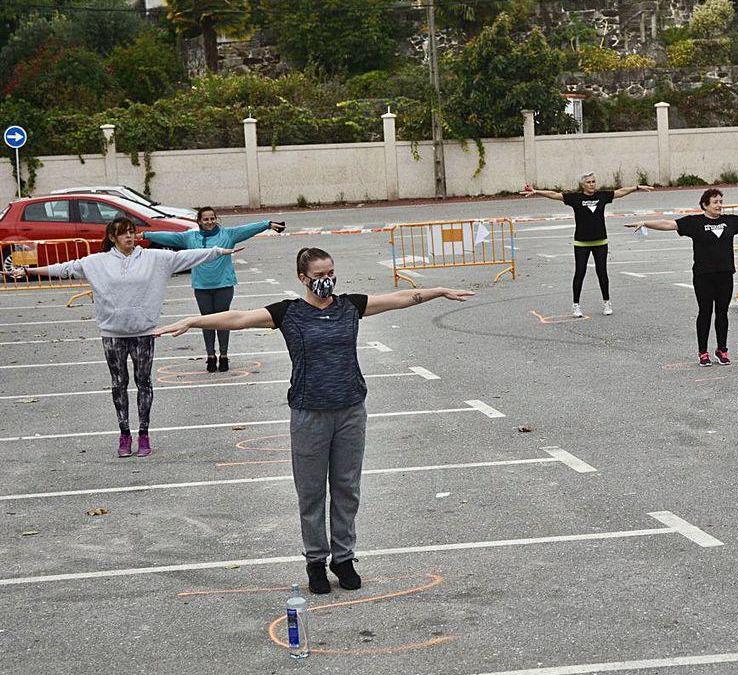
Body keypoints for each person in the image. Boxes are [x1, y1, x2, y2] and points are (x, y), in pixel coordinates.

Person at [155, 247, 473, 594]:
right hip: (309, 414)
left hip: (350, 410)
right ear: (303, 278)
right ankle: (316, 562)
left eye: (330, 272)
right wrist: (193, 321)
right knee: (310, 493)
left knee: (346, 488)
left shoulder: (350, 306)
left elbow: (399, 298)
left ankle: (344, 558)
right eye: (319, 275)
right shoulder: (288, 313)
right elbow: (238, 318)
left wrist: (438, 291)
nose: (327, 280)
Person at [10, 217, 240, 458]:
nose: (129, 237)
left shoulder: (155, 259)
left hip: (143, 332)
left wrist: (220, 251)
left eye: (132, 232)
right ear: (112, 237)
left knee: (144, 383)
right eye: (123, 233)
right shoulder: (96, 262)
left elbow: (186, 256)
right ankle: (124, 433)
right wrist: (28, 269)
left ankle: (143, 434)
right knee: (119, 384)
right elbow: (66, 268)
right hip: (113, 334)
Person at [629, 188, 738, 367]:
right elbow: (669, 224)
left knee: (722, 313)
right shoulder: (695, 222)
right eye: (715, 202)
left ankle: (722, 350)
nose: (719, 205)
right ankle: (703, 352)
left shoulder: (729, 221)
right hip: (703, 276)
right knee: (705, 312)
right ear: (705, 205)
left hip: (725, 274)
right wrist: (645, 223)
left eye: (721, 202)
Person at [144, 207, 285, 372]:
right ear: (199, 221)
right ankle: (210, 356)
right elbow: (169, 237)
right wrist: (145, 235)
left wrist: (267, 224)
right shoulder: (190, 237)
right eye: (206, 219)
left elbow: (248, 229)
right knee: (206, 321)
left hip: (224, 285)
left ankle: (224, 356)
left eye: (212, 218)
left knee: (224, 321)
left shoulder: (228, 235)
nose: (210, 222)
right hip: (202, 287)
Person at [522, 173, 653, 317]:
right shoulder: (575, 198)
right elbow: (555, 195)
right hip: (581, 243)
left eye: (594, 181)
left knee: (602, 272)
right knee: (580, 273)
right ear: (583, 185)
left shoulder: (602, 196)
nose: (592, 184)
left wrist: (637, 187)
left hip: (600, 242)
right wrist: (537, 192)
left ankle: (606, 302)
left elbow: (620, 192)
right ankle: (576, 305)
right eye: (589, 182)